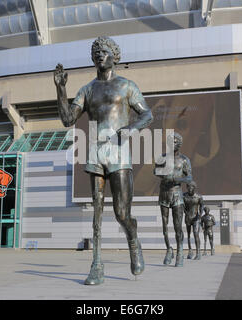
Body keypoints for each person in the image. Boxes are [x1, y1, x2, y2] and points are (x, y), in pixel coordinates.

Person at [53, 36, 153, 285]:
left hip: (119, 154)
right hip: (96, 153)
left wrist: (132, 129)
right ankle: (97, 265)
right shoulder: (87, 90)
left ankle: (133, 239)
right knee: (96, 211)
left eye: (105, 51)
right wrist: (60, 88)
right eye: (96, 51)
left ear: (115, 56)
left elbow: (147, 114)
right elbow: (67, 119)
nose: (100, 55)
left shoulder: (127, 86)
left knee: (121, 213)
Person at [154, 132, 192, 267]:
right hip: (164, 193)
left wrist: (178, 179)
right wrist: (164, 174)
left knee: (177, 227)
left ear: (180, 143)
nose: (172, 144)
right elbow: (156, 171)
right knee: (165, 226)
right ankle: (169, 248)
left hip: (177, 194)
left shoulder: (184, 160)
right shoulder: (162, 157)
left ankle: (180, 251)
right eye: (170, 141)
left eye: (175, 141)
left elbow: (189, 178)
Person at [183, 180, 204, 260]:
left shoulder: (199, 196)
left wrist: (200, 214)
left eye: (191, 187)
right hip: (188, 217)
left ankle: (198, 252)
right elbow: (182, 206)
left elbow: (202, 206)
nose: (190, 188)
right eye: (188, 187)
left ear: (194, 188)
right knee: (188, 235)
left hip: (196, 217)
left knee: (196, 233)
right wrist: (185, 212)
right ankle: (190, 251)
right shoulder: (184, 196)